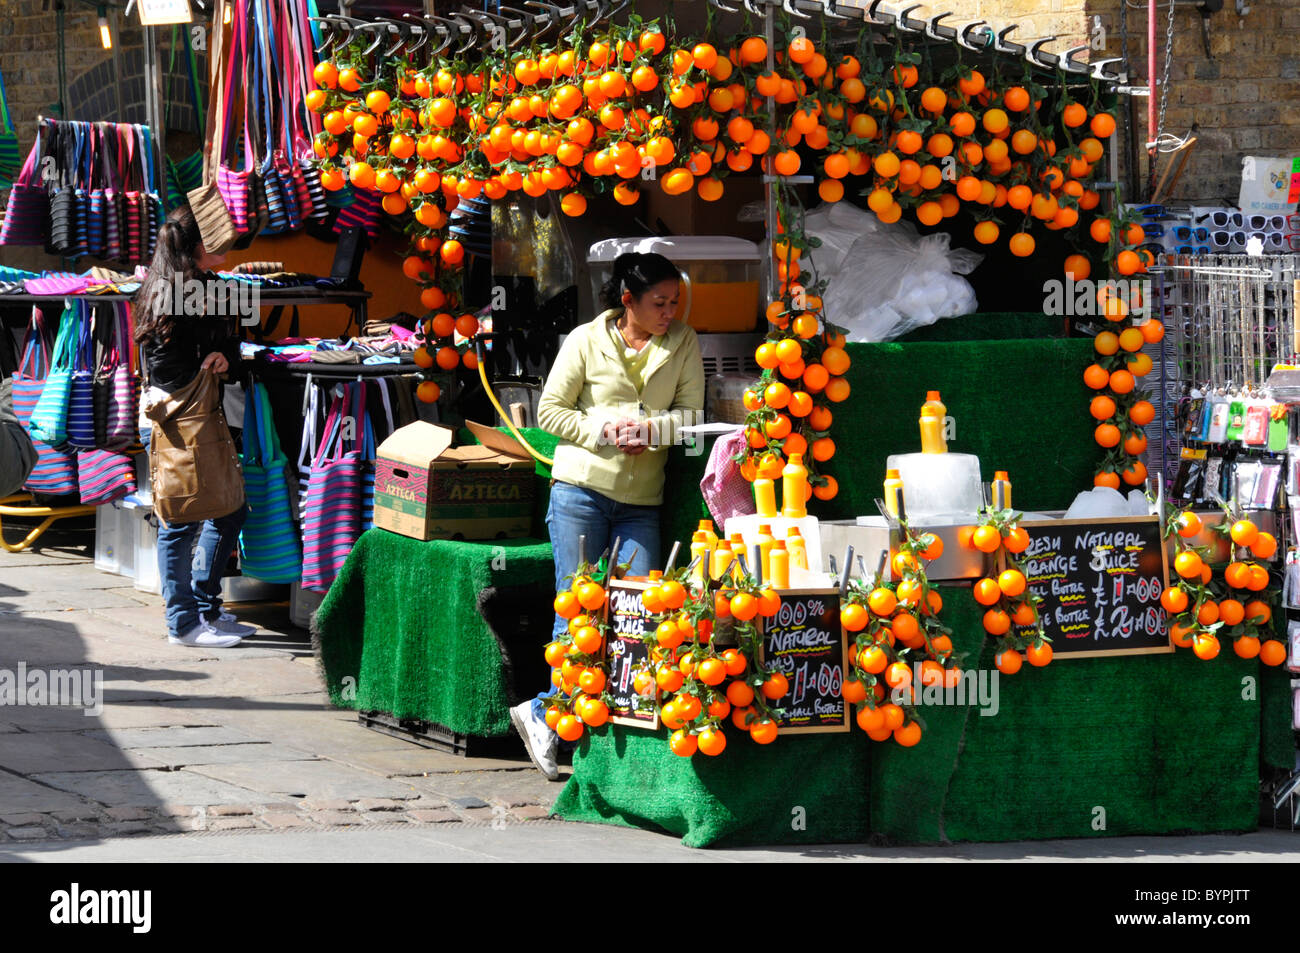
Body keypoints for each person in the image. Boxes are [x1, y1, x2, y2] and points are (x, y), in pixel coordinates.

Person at [510, 251, 705, 778]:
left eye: (675, 303)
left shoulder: (683, 342)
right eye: (659, 303)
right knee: (577, 610)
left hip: (642, 499)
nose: (670, 312)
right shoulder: (583, 340)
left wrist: (653, 431)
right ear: (628, 301)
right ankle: (550, 718)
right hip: (581, 490)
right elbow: (551, 410)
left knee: (640, 614)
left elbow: (692, 415)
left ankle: (615, 735)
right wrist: (604, 431)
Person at [133, 205, 251, 649]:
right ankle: (182, 625)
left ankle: (206, 609)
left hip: (202, 416)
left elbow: (228, 344)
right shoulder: (168, 291)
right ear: (199, 245)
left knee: (230, 509)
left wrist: (225, 359)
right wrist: (204, 367)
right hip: (176, 420)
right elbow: (164, 363)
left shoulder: (208, 286)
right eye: (219, 238)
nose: (228, 245)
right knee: (179, 522)